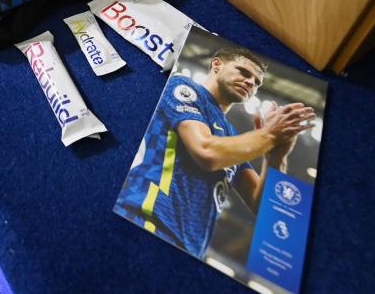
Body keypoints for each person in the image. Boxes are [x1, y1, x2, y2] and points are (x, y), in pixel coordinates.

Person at [114, 46, 315, 259]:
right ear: (217, 64)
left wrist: (275, 158)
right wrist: (270, 136)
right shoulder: (183, 87)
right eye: (244, 72)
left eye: (257, 83)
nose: (250, 83)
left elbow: (264, 208)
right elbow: (206, 152)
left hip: (190, 246)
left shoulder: (231, 136)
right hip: (146, 219)